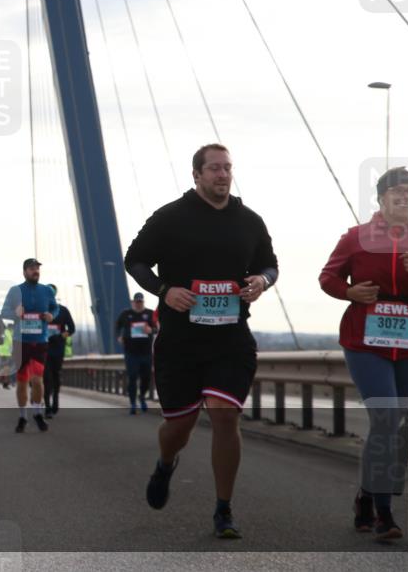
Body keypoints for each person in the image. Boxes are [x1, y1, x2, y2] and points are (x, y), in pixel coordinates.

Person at [124, 144, 278, 539]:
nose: (223, 175)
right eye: (214, 169)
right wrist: (163, 289)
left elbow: (270, 265)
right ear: (196, 175)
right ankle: (165, 462)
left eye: (228, 168)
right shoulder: (170, 218)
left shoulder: (249, 221)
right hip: (180, 341)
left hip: (230, 338)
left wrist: (262, 281)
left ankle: (223, 509)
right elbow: (135, 259)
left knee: (226, 415)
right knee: (180, 426)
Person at [319, 166, 408, 540]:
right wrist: (349, 293)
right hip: (366, 341)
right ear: (380, 199)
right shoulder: (357, 237)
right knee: (385, 419)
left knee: (396, 425)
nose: (404, 196)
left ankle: (366, 495)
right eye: (395, 191)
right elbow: (328, 277)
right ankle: (385, 514)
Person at [2, 259, 58, 433]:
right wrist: (15, 314)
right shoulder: (15, 290)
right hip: (21, 343)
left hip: (40, 342)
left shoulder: (47, 290)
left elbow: (55, 309)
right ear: (24, 271)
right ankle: (22, 416)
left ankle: (37, 413)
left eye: (38, 268)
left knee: (37, 381)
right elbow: (3, 312)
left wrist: (51, 315)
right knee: (22, 382)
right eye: (32, 268)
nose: (36, 271)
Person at [115, 292, 157, 415]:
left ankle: (142, 396)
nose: (138, 304)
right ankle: (133, 403)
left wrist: (152, 330)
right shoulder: (126, 314)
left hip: (146, 352)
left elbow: (159, 327)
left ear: (143, 302)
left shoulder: (149, 314)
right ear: (133, 302)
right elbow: (117, 326)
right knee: (132, 377)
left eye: (141, 302)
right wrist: (119, 337)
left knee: (146, 378)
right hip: (131, 352)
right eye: (137, 302)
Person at [43, 284, 75, 419]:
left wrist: (62, 335)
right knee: (46, 378)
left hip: (58, 349)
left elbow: (71, 328)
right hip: (43, 349)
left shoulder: (62, 311)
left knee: (55, 377)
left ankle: (55, 400)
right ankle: (47, 407)